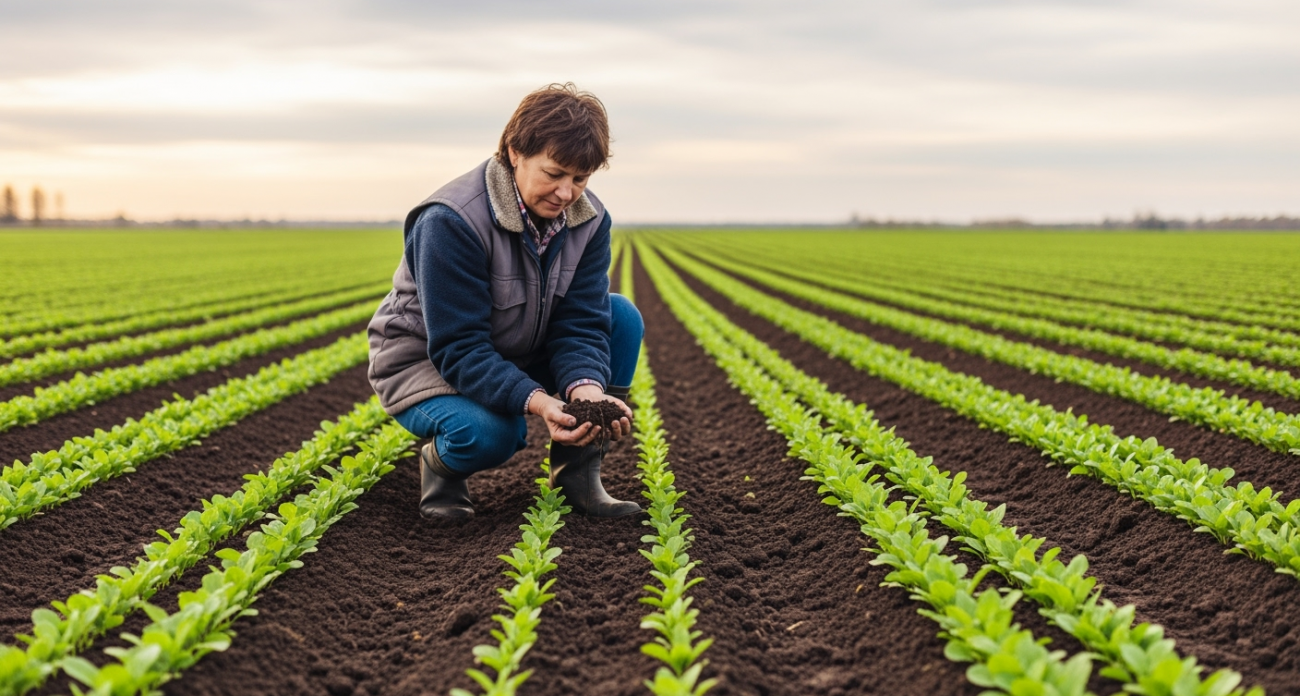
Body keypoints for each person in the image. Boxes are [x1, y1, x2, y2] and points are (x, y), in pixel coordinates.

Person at [367, 83, 643, 520]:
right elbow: (458, 349)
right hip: (430, 363)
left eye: (580, 178)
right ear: (515, 152)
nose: (567, 193)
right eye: (553, 174)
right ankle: (441, 468)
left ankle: (576, 474)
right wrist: (540, 401)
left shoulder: (588, 220)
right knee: (492, 434)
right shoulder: (450, 221)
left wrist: (586, 391)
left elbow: (581, 321)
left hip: (514, 346)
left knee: (620, 317)